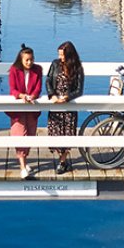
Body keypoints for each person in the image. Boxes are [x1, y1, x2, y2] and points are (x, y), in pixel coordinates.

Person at [46, 41, 84, 174]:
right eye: (59, 55)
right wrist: (52, 95)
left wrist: (68, 97)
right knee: (55, 134)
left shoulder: (77, 68)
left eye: (63, 55)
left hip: (69, 106)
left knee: (68, 134)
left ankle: (63, 161)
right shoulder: (55, 64)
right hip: (56, 104)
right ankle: (61, 159)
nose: (60, 57)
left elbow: (79, 89)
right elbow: (48, 81)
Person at [7, 44, 42, 179]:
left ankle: (25, 160)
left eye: (31, 59)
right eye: (27, 60)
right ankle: (22, 165)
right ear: (20, 60)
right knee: (19, 134)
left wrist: (32, 96)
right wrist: (22, 96)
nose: (29, 62)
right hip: (18, 108)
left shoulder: (37, 69)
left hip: (32, 106)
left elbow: (38, 88)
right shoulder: (14, 70)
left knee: (31, 133)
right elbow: (13, 89)